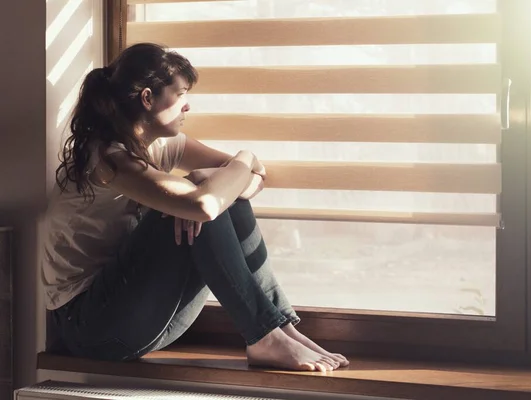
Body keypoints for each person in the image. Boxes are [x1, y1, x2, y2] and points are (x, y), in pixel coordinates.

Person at [41, 42, 348, 372]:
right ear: (148, 98)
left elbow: (251, 181)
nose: (187, 106)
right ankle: (264, 335)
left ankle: (279, 328)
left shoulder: (162, 146)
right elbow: (206, 203)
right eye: (181, 93)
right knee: (205, 200)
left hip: (147, 321)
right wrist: (242, 159)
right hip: (90, 328)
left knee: (223, 196)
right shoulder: (108, 159)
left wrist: (231, 172)